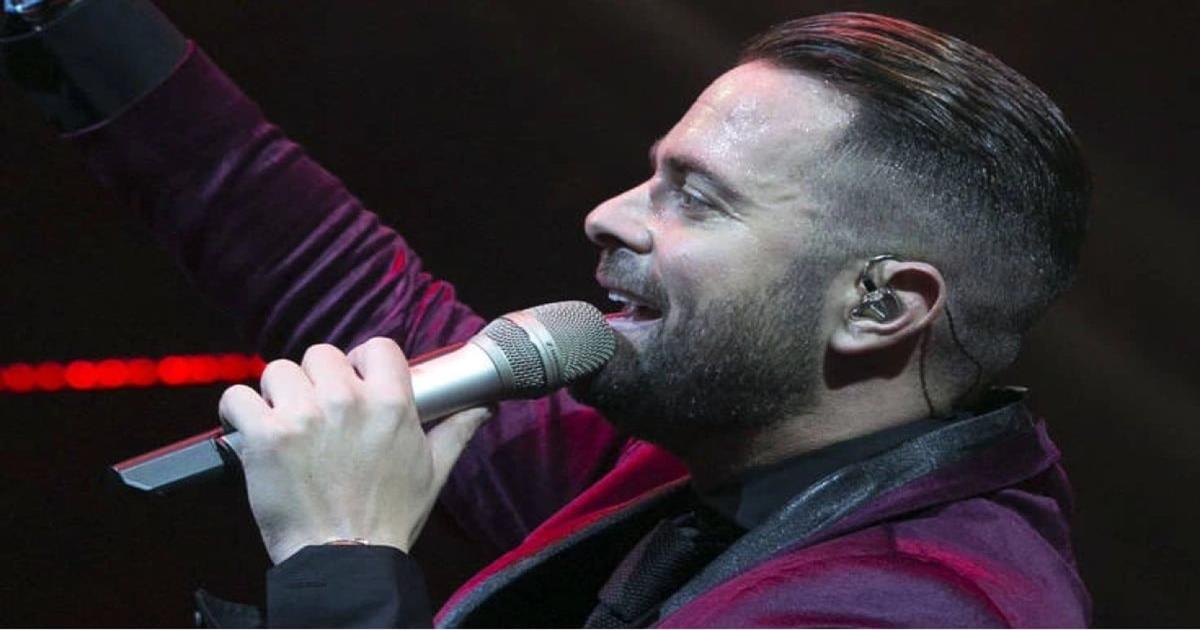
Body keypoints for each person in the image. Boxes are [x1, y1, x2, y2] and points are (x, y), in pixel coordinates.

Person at [1, 0, 1091, 626]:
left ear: (880, 305)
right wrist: (64, 17)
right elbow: (346, 285)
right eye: (652, 173)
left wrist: (342, 557)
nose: (608, 215)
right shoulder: (722, 465)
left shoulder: (913, 606)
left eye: (697, 197)